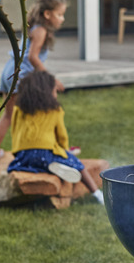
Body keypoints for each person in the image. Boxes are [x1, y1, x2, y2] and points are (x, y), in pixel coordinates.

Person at [0, 0, 67, 163]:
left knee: (9, 115)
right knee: (47, 104)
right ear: (47, 14)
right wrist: (50, 79)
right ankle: (55, 147)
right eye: (59, 14)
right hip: (20, 76)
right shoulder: (41, 31)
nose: (62, 19)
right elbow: (32, 57)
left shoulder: (36, 28)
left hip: (11, 71)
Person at [6, 70, 104, 205]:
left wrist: (18, 151)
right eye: (55, 91)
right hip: (46, 152)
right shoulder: (55, 110)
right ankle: (98, 195)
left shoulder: (19, 109)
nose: (56, 94)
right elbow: (62, 136)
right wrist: (65, 151)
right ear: (47, 92)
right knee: (79, 165)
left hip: (24, 155)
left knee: (34, 163)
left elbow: (15, 131)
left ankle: (46, 167)